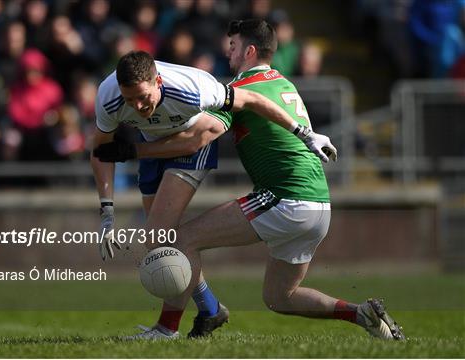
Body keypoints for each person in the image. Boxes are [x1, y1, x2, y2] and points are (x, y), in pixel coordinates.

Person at [95, 20, 404, 341]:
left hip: (285, 198)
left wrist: (133, 150)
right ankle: (361, 313)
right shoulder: (283, 83)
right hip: (320, 206)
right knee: (279, 298)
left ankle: (166, 329)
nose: (227, 53)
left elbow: (195, 140)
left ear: (250, 50)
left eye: (232, 47)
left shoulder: (244, 88)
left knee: (181, 241)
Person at [91, 50, 337, 337]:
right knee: (162, 244)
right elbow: (100, 152)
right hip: (151, 146)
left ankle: (167, 329)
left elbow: (254, 100)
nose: (138, 105)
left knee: (160, 236)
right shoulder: (108, 98)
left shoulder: (195, 88)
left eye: (143, 96)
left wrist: (305, 134)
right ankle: (209, 309)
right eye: (129, 99)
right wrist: (107, 212)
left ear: (158, 80)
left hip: (190, 144)